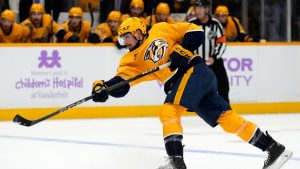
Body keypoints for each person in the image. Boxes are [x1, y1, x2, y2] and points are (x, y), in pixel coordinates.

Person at [91, 17, 292, 169]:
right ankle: (273, 148)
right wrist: (103, 88)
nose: (123, 42)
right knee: (226, 118)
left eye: (126, 36)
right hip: (192, 80)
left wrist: (182, 50)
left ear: (137, 31)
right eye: (121, 38)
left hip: (193, 70)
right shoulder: (129, 61)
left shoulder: (160, 29)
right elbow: (121, 85)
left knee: (169, 111)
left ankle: (176, 161)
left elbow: (195, 31)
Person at [189, 0, 230, 103]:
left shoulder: (216, 24)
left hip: (214, 62)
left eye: (201, 8)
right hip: (196, 63)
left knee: (223, 86)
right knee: (190, 86)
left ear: (207, 9)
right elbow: (185, 43)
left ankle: (226, 110)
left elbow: (222, 42)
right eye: (196, 8)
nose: (198, 11)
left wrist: (214, 57)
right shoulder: (191, 24)